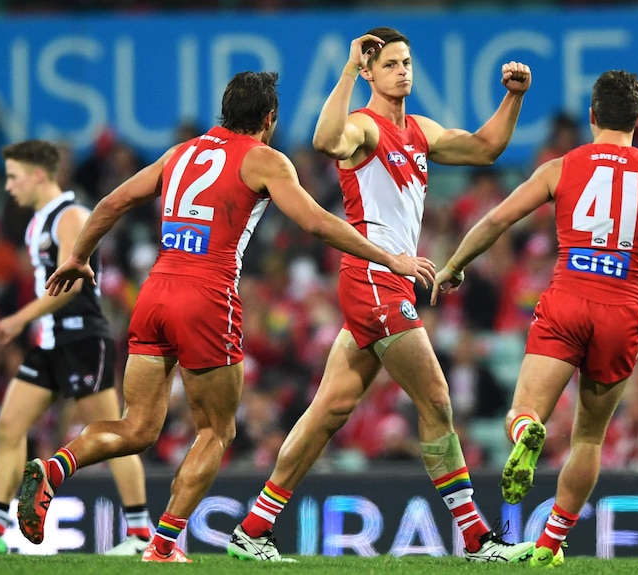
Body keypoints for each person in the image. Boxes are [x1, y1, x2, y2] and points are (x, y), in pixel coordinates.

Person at [14, 71, 436, 563]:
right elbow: (316, 222)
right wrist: (390, 258)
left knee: (138, 427)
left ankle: (55, 469)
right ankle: (163, 546)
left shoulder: (182, 152)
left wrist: (80, 257)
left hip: (156, 290)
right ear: (269, 119)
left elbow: (112, 202)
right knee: (216, 431)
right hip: (207, 296)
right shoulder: (264, 159)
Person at [227, 27, 535, 563]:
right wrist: (348, 68)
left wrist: (514, 97)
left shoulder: (420, 131)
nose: (403, 71)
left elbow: (486, 149)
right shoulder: (363, 130)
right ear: (371, 73)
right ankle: (478, 540)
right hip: (373, 278)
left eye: (407, 62)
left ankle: (254, 527)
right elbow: (325, 141)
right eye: (390, 63)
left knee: (330, 408)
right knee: (437, 399)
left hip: (383, 282)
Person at [430, 70, 638, 568]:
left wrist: (454, 266)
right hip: (621, 311)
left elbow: (498, 218)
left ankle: (525, 435)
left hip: (567, 300)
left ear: (592, 116)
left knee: (524, 412)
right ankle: (550, 542)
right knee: (588, 437)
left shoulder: (561, 167)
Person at [0, 140, 152, 556]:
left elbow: (71, 282)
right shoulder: (38, 221)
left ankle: (142, 534)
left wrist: (21, 317)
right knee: (9, 425)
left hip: (81, 336)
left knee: (111, 436)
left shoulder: (69, 216)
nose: (8, 186)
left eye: (14, 176)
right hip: (52, 341)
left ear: (39, 174)